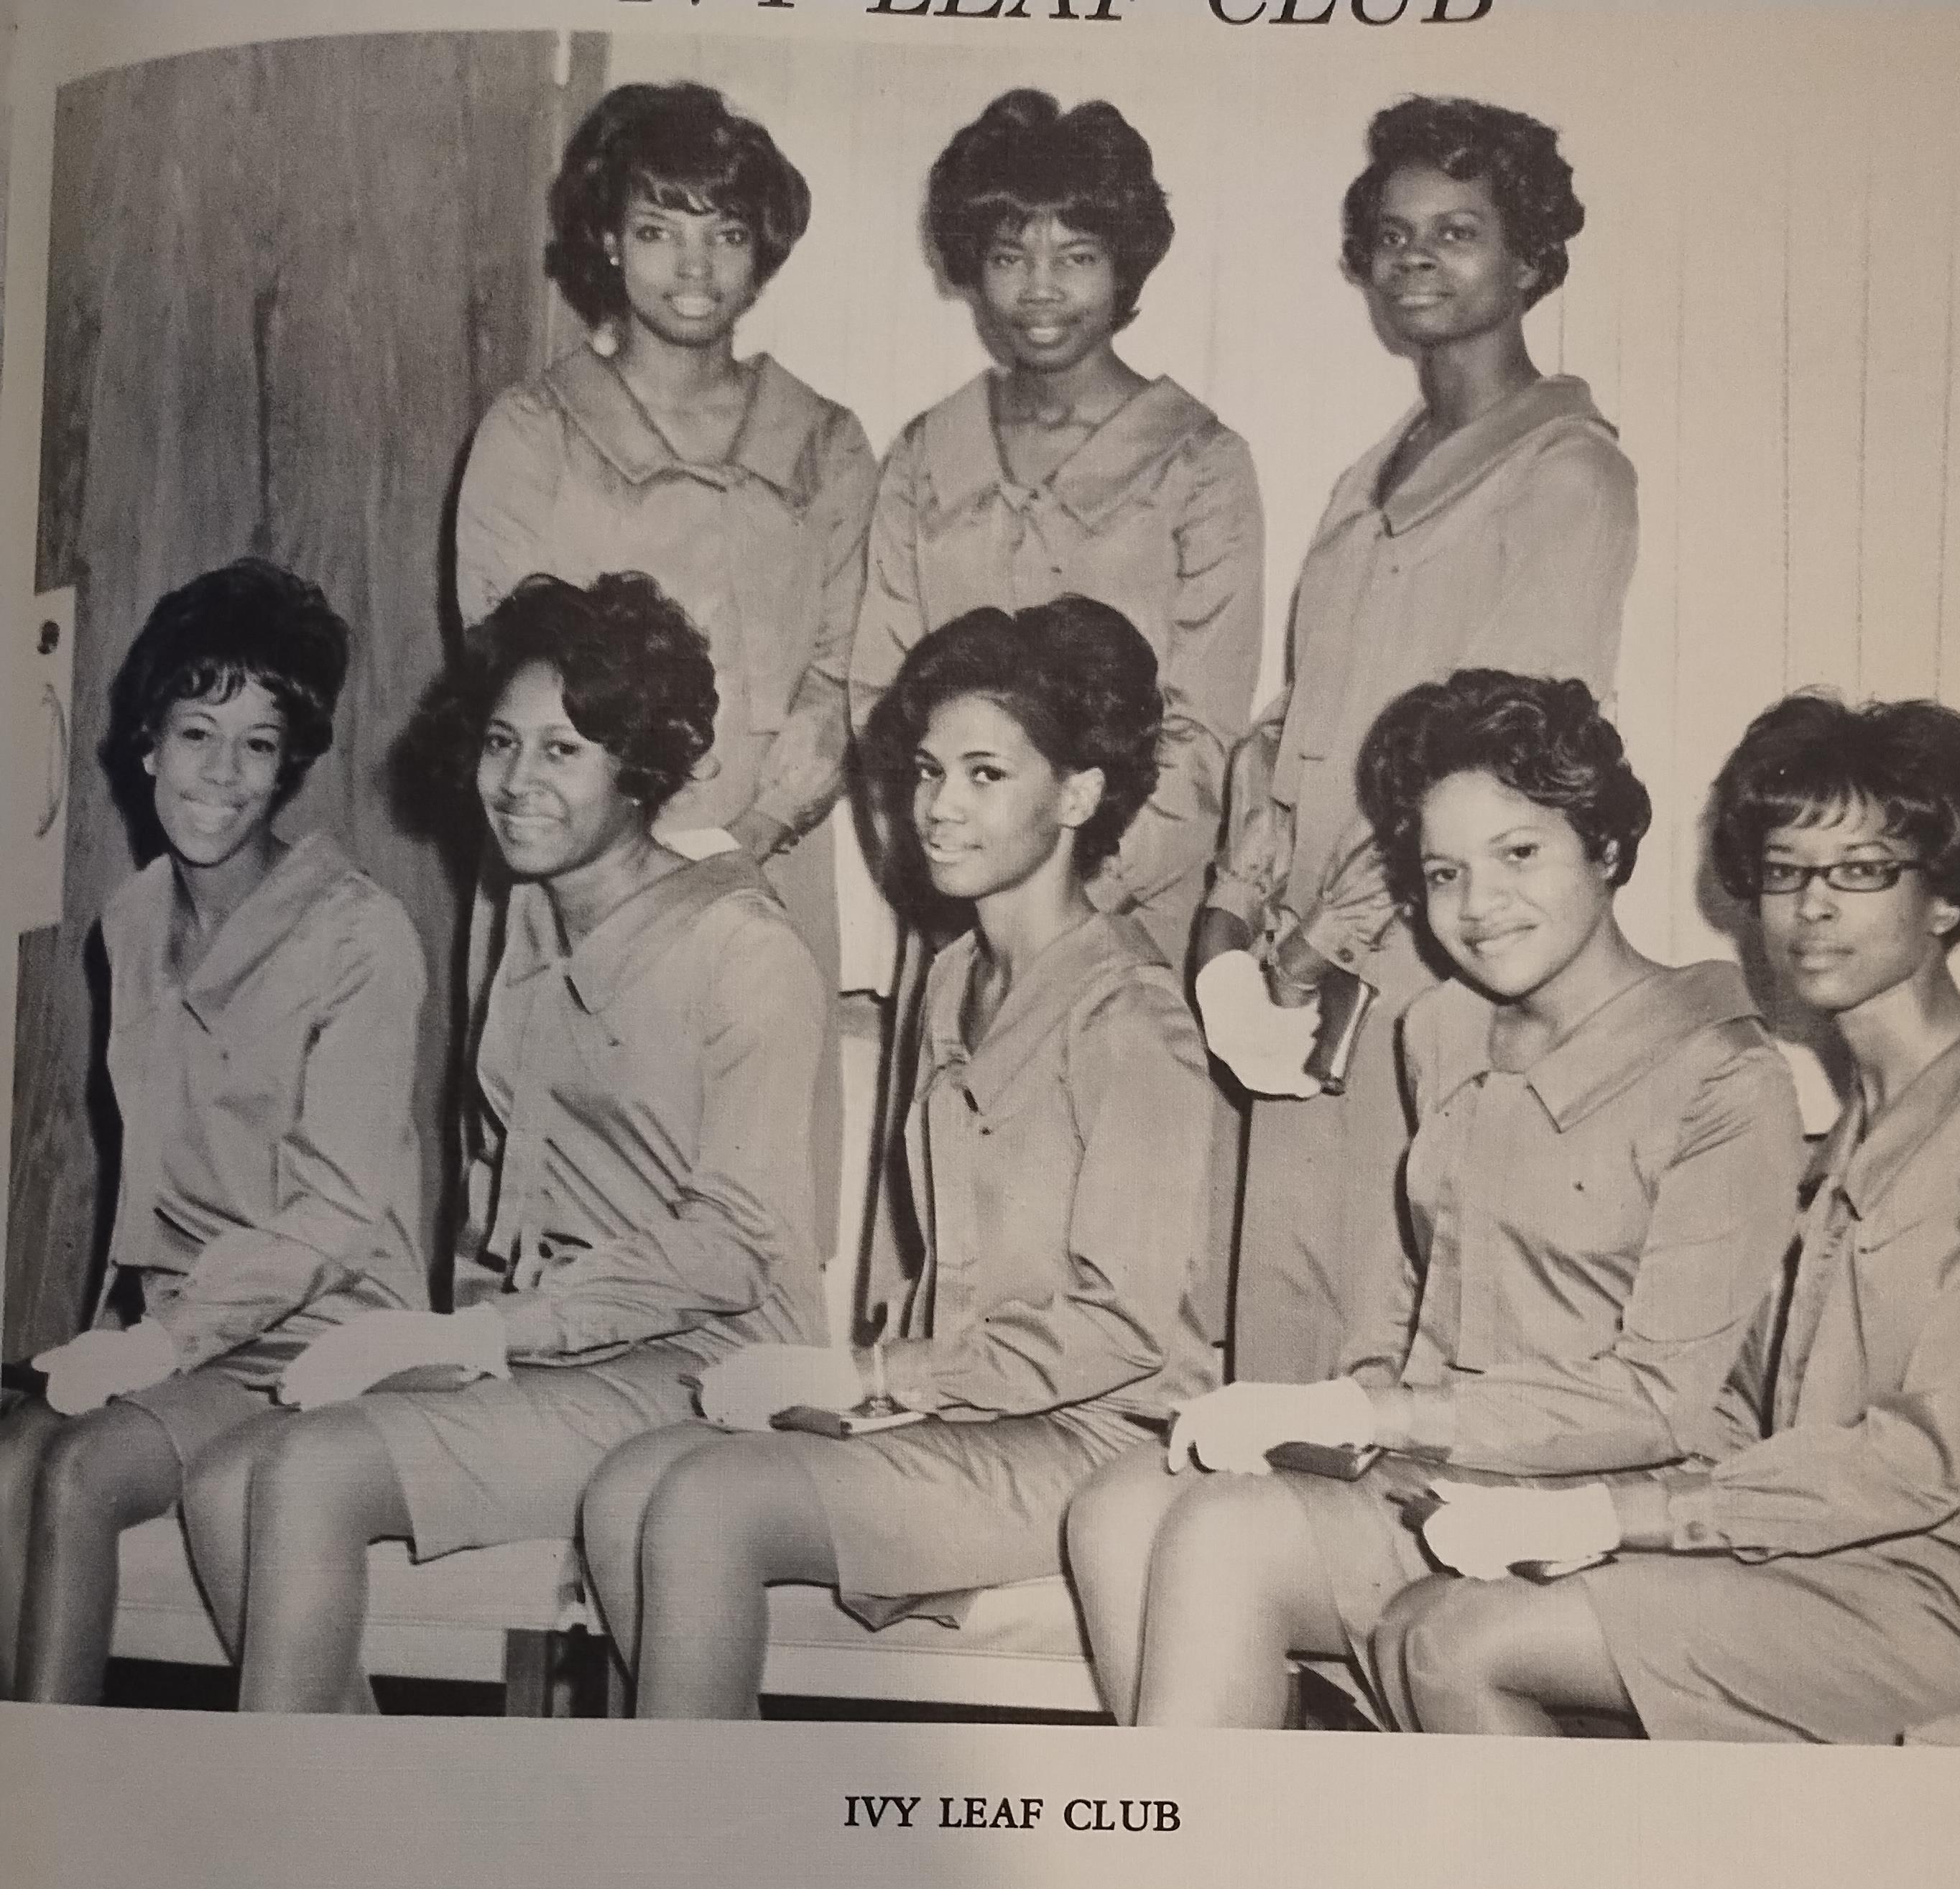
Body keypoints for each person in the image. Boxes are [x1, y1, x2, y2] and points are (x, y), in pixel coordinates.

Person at [1372, 693, 1960, 1744]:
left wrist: (1612, 1518)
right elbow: (1748, 1421)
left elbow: (1918, 1460)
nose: (1812, 908)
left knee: (1460, 1643)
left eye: (1861, 871)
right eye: (1785, 873)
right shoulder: (1837, 1141)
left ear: (1945, 898)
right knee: (1421, 1617)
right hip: (1841, 1565)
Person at [1068, 670, 1805, 1729]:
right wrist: (1333, 1412)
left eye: (1520, 855)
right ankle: (1207, 1839)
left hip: (1599, 1513)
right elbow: (1410, 1293)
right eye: (1445, 872)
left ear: (1604, 849)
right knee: (1115, 1507)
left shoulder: (1724, 1074)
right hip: (1434, 1474)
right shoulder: (1438, 1032)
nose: (1478, 907)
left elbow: (1661, 1402)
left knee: (1221, 1536)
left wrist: (1372, 1412)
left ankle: (1196, 1868)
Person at [179, 573, 826, 1713]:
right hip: (545, 1350)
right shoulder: (521, 908)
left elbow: (732, 1249)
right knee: (230, 1476)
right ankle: (362, 1838)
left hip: (707, 1367)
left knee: (310, 1469)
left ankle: (281, 1851)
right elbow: (501, 1183)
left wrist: (478, 1336)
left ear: (641, 768)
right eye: (500, 744)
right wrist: (449, 1333)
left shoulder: (743, 947)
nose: (516, 784)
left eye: (563, 751)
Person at [581, 596, 1215, 1719]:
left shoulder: (1133, 1023)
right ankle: (710, 1812)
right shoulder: (952, 975)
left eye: (984, 775)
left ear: (1076, 796)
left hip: (1096, 1439)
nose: (938, 808)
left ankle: (687, 1852)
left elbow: (1123, 1330)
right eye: (928, 772)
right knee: (630, 1480)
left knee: (703, 1506)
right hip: (966, 1413)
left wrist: (870, 1378)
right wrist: (874, 1390)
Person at [1195, 95, 1637, 1383]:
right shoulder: (1366, 478)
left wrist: (1328, 955)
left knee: (1376, 1331)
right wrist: (1230, 933)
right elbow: (1294, 729)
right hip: (1301, 966)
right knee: (1273, 1327)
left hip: (1428, 964)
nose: (1417, 262)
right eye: (1394, 237)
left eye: (1458, 232)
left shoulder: (1568, 474)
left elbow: (1505, 768)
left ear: (1531, 258)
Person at [456, 80, 874, 1248]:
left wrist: (741, 841)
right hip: (577, 875)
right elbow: (510, 679)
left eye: (725, 234)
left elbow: (843, 675)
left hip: (766, 865)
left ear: (763, 253)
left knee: (748, 1214)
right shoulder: (534, 432)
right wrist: (632, 844)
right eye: (657, 230)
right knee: (569, 1223)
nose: (693, 268)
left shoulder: (827, 441)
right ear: (605, 240)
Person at [0, 559, 426, 1704]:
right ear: (148, 745)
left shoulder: (360, 937)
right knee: (10, 1461)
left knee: (82, 1473)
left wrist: (151, 1352)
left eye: (258, 743)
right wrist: (109, 1337)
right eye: (198, 733)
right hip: (175, 1335)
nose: (222, 775)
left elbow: (338, 1216)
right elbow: (147, 1178)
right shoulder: (130, 922)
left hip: (319, 1338)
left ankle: (55, 1813)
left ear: (290, 766)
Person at [849, 88, 1263, 971]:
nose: (1039, 289)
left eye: (1075, 256)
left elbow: (1204, 732)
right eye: (1009, 256)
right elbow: (879, 700)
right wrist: (941, 872)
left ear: (1125, 269)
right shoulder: (928, 452)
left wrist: (1070, 899)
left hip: (1128, 917)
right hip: (958, 913)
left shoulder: (1199, 461)